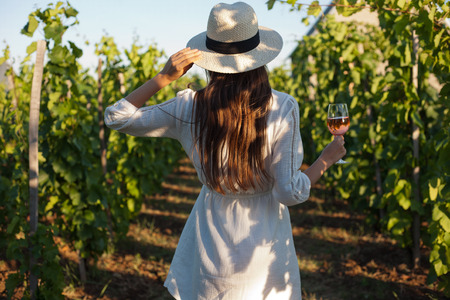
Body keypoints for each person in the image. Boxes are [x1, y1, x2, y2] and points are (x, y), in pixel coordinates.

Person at [104, 2, 346, 299]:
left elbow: (116, 117)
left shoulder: (188, 106)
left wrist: (164, 77)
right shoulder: (282, 108)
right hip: (264, 242)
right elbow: (289, 193)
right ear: (260, 57)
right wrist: (325, 159)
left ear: (208, 58)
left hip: (211, 239)